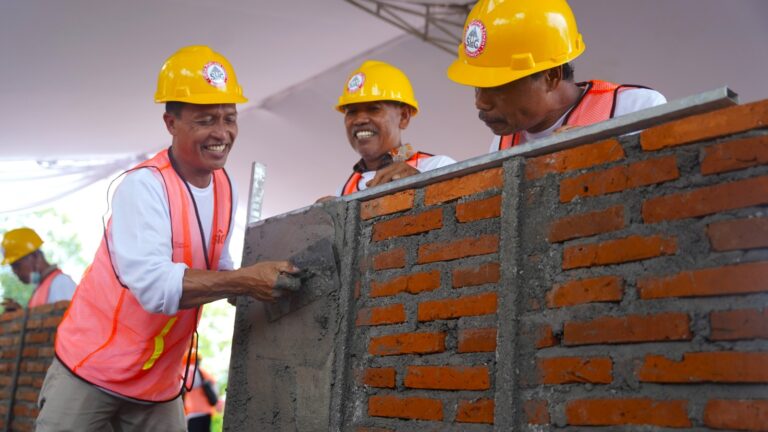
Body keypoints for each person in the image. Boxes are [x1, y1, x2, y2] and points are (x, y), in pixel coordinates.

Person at [35, 45, 300, 432]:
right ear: (170, 123)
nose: (222, 133)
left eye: (230, 118)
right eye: (206, 119)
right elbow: (155, 287)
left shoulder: (225, 186)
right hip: (92, 372)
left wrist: (268, 277)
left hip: (159, 383)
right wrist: (246, 280)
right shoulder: (143, 187)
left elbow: (219, 267)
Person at [446, 0, 667, 152]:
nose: (480, 102)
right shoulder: (502, 143)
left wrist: (604, 153)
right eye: (477, 86)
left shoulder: (635, 109)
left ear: (551, 76)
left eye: (497, 86)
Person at [334, 60, 456, 196]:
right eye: (352, 112)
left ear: (404, 117)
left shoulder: (438, 167)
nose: (359, 120)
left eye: (374, 109)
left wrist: (421, 185)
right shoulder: (343, 191)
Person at [1, 227, 76, 312]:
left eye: (17, 265)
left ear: (35, 256)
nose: (15, 271)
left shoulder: (60, 283)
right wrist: (20, 316)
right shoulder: (41, 288)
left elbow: (70, 322)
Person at [182, 349, 220, 432]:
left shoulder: (184, 372)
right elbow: (215, 387)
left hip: (191, 412)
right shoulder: (202, 372)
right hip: (206, 411)